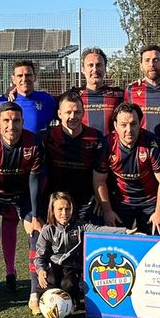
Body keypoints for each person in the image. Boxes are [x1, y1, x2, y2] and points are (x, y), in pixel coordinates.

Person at [0, 102, 45, 314]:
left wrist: (36, 215)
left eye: (16, 121)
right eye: (6, 121)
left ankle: (34, 295)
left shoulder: (33, 144)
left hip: (22, 194)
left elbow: (34, 182)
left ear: (22, 122)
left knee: (36, 235)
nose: (11, 126)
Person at [0, 60, 57, 292]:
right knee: (9, 221)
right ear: (13, 79)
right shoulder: (4, 102)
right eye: (19, 75)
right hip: (11, 172)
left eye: (28, 75)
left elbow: (67, 105)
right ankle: (10, 272)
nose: (24, 79)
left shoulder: (47, 100)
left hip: (39, 169)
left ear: (35, 76)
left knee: (37, 222)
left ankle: (42, 272)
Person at [34, 191, 133, 309]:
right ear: (52, 211)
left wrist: (125, 231)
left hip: (72, 267)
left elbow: (98, 230)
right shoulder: (48, 230)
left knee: (68, 284)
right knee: (50, 279)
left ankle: (72, 302)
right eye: (60, 209)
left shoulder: (80, 226)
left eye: (67, 209)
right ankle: (41, 300)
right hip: (54, 265)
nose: (64, 213)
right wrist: (40, 270)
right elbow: (39, 256)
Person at [95, 102, 160, 235]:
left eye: (133, 124)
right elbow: (99, 180)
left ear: (140, 124)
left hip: (150, 201)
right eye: (123, 125)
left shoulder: (152, 144)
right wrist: (107, 211)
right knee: (116, 241)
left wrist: (159, 213)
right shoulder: (106, 145)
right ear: (115, 126)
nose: (129, 130)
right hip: (121, 201)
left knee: (156, 241)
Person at [43, 90, 107, 223]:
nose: (73, 116)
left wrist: (99, 195)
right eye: (68, 112)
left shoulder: (96, 138)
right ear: (59, 114)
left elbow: (104, 173)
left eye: (77, 112)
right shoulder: (47, 137)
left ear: (83, 113)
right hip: (56, 201)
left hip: (86, 201)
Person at [124, 45, 160, 137]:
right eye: (147, 60)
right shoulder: (131, 90)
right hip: (142, 144)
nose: (151, 64)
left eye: (156, 60)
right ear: (141, 66)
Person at [72, 47, 125, 135]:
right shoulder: (72, 96)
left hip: (110, 144)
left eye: (99, 65)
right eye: (90, 65)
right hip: (82, 144)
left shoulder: (119, 95)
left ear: (105, 68)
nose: (95, 70)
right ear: (83, 69)